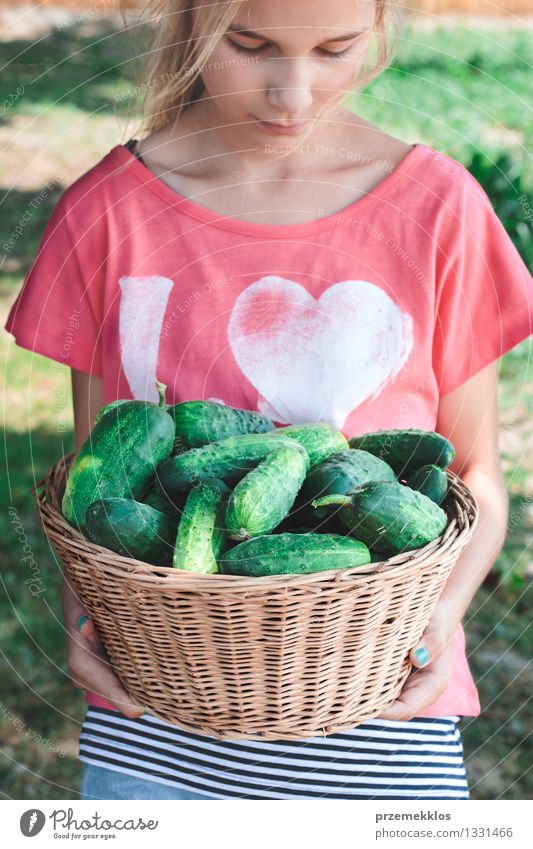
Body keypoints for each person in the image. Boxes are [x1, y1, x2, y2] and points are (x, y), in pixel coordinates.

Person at [6, 0, 533, 801]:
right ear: (190, 22)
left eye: (334, 48)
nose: (293, 90)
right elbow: (99, 480)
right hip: (157, 735)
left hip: (384, 723)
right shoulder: (109, 212)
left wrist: (441, 615)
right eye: (248, 46)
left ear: (381, 29)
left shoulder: (438, 210)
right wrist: (87, 613)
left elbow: (476, 477)